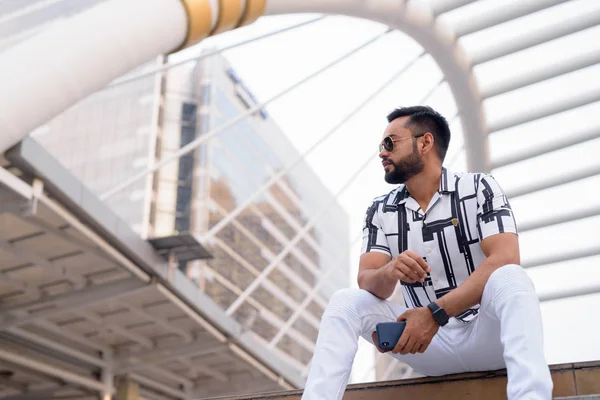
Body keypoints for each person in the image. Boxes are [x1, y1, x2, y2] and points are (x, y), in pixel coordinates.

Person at [301, 106, 553, 400]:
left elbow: (506, 257)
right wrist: (390, 270)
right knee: (345, 302)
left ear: (425, 142)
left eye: (390, 143)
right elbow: (368, 281)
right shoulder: (380, 210)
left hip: (485, 335)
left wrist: (435, 314)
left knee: (510, 276)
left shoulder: (479, 187)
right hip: (428, 346)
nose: (382, 153)